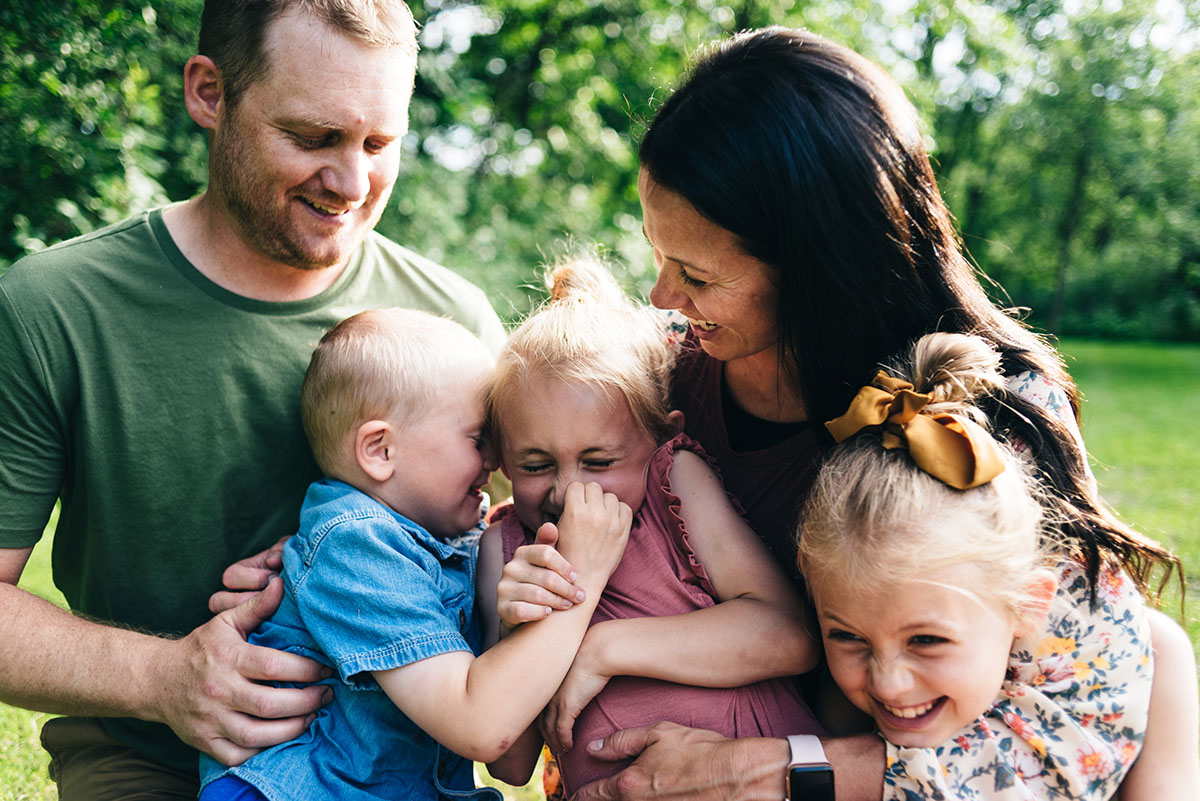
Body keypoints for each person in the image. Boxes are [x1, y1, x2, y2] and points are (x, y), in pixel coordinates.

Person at [555, 26, 1193, 801]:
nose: (662, 298)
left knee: (1163, 650)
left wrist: (784, 769)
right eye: (658, 258)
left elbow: (1076, 720)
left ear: (820, 263)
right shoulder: (661, 386)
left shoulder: (975, 413)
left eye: (695, 273)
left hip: (879, 765)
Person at [0, 1, 504, 798]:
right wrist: (163, 676)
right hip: (152, 760)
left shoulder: (452, 328)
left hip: (399, 771)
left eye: (380, 143)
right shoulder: (56, 308)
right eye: (312, 138)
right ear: (209, 92)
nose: (351, 182)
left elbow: (521, 540)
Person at [198, 308, 630, 800]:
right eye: (478, 438)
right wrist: (585, 577)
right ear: (380, 450)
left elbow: (509, 756)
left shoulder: (446, 539)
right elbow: (483, 726)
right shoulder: (356, 545)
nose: (496, 460)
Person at [475, 258, 824, 796]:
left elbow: (790, 634)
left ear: (662, 436)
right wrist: (527, 632)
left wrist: (605, 647)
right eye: (536, 465)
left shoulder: (672, 484)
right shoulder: (505, 548)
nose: (567, 491)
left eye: (598, 462)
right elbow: (511, 760)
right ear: (500, 458)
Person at [798, 332, 1151, 800]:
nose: (887, 681)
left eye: (926, 640)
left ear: (1028, 603)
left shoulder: (1149, 691)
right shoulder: (833, 716)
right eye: (847, 636)